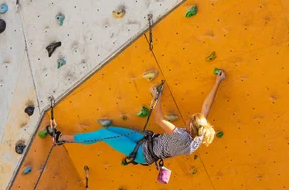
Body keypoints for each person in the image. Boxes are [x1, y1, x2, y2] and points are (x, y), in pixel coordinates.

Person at [50, 70, 226, 167]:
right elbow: (206, 107)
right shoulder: (199, 135)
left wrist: (156, 97)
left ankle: (62, 138)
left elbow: (158, 119)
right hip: (147, 141)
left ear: (189, 127)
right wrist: (217, 82)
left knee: (104, 134)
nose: (187, 118)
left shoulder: (181, 137)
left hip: (142, 153)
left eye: (188, 120)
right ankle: (64, 139)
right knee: (109, 131)